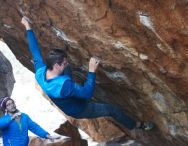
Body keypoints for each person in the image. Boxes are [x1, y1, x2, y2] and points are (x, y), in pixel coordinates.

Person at [21, 16, 154, 133]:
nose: (67, 63)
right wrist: (91, 71)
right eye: (64, 62)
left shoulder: (40, 72)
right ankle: (137, 125)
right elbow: (87, 93)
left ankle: (75, 83)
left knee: (68, 71)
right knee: (112, 110)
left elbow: (35, 50)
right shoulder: (64, 86)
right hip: (80, 109)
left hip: (65, 94)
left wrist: (28, 27)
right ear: (56, 66)